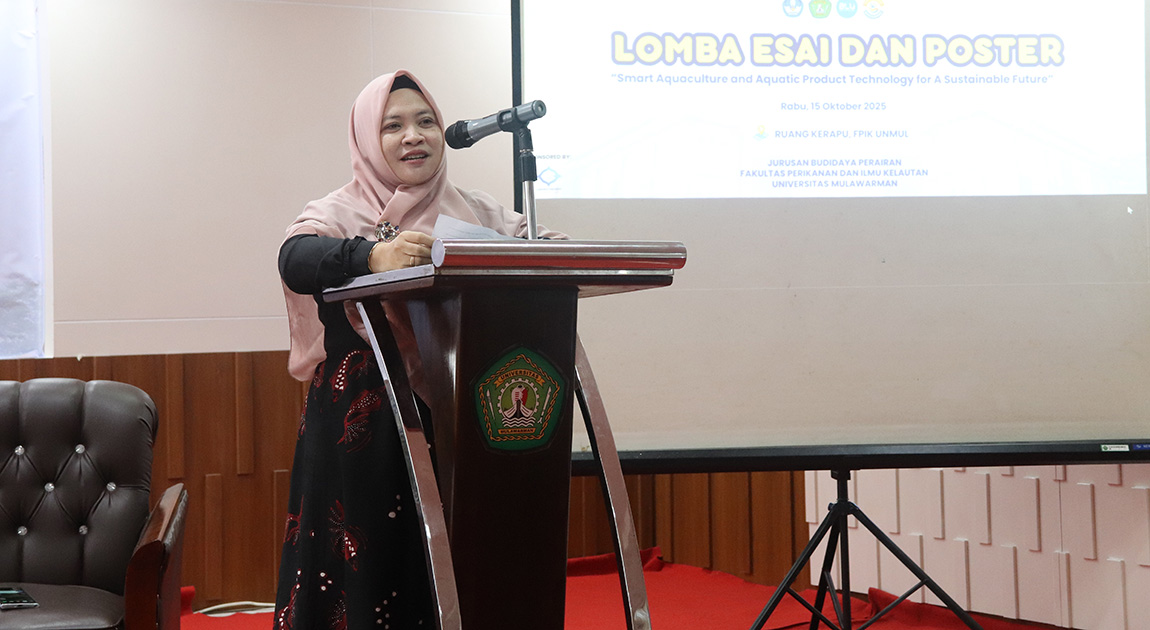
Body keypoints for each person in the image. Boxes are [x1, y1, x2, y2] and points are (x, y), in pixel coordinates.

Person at [274, 70, 563, 629]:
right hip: (371, 424)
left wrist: (553, 252)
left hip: (467, 412)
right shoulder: (339, 211)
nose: (414, 136)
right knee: (376, 564)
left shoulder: (476, 211)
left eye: (426, 121)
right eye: (393, 126)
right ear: (366, 139)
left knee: (462, 564)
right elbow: (295, 259)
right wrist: (370, 255)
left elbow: (547, 248)